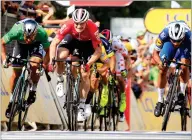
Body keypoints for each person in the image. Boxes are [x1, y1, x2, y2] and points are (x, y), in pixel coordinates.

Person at [47, 8, 102, 122]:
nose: (79, 25)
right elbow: (54, 43)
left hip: (87, 44)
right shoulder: (68, 24)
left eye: (82, 23)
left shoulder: (93, 28)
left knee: (85, 74)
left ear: (86, 21)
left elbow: (98, 51)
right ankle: (60, 79)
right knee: (60, 56)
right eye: (76, 23)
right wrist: (52, 60)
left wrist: (89, 63)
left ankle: (82, 105)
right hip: (72, 39)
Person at [1, 18, 50, 118]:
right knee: (16, 74)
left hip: (36, 45)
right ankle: (12, 101)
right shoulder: (16, 31)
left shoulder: (41, 33)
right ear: (23, 32)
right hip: (20, 45)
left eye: (30, 37)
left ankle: (33, 91)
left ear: (35, 33)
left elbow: (47, 51)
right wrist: (4, 59)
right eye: (26, 37)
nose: (28, 40)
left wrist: (44, 65)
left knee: (35, 64)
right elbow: (1, 43)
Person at [152, 21, 191, 117]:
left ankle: (181, 93)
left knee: (184, 65)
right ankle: (160, 101)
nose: (176, 43)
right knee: (162, 69)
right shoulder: (164, 34)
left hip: (185, 44)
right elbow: (155, 53)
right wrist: (160, 63)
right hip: (167, 43)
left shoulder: (189, 36)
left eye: (178, 41)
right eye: (174, 40)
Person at [100, 29, 130, 122]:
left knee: (119, 77)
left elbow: (127, 58)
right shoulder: (100, 41)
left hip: (117, 56)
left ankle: (122, 98)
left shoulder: (117, 43)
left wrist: (125, 70)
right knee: (102, 74)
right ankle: (102, 97)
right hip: (104, 55)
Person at [84, 33, 116, 118]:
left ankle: (105, 88)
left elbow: (109, 63)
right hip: (88, 60)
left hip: (101, 60)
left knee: (101, 75)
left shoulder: (101, 47)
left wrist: (102, 70)